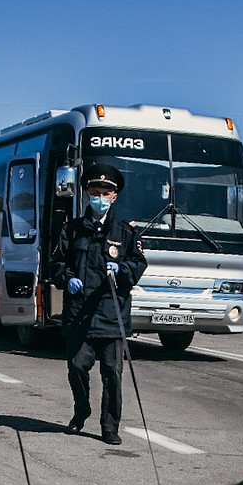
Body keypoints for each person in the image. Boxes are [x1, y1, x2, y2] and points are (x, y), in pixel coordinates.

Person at [50, 162, 146, 445]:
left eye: (106, 192)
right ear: (87, 193)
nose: (100, 197)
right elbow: (56, 263)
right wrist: (66, 279)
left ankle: (109, 426)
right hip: (80, 315)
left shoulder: (125, 231)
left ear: (114, 196)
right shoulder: (72, 230)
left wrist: (123, 271)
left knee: (112, 375)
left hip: (111, 315)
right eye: (95, 191)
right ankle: (81, 412)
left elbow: (138, 264)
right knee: (77, 367)